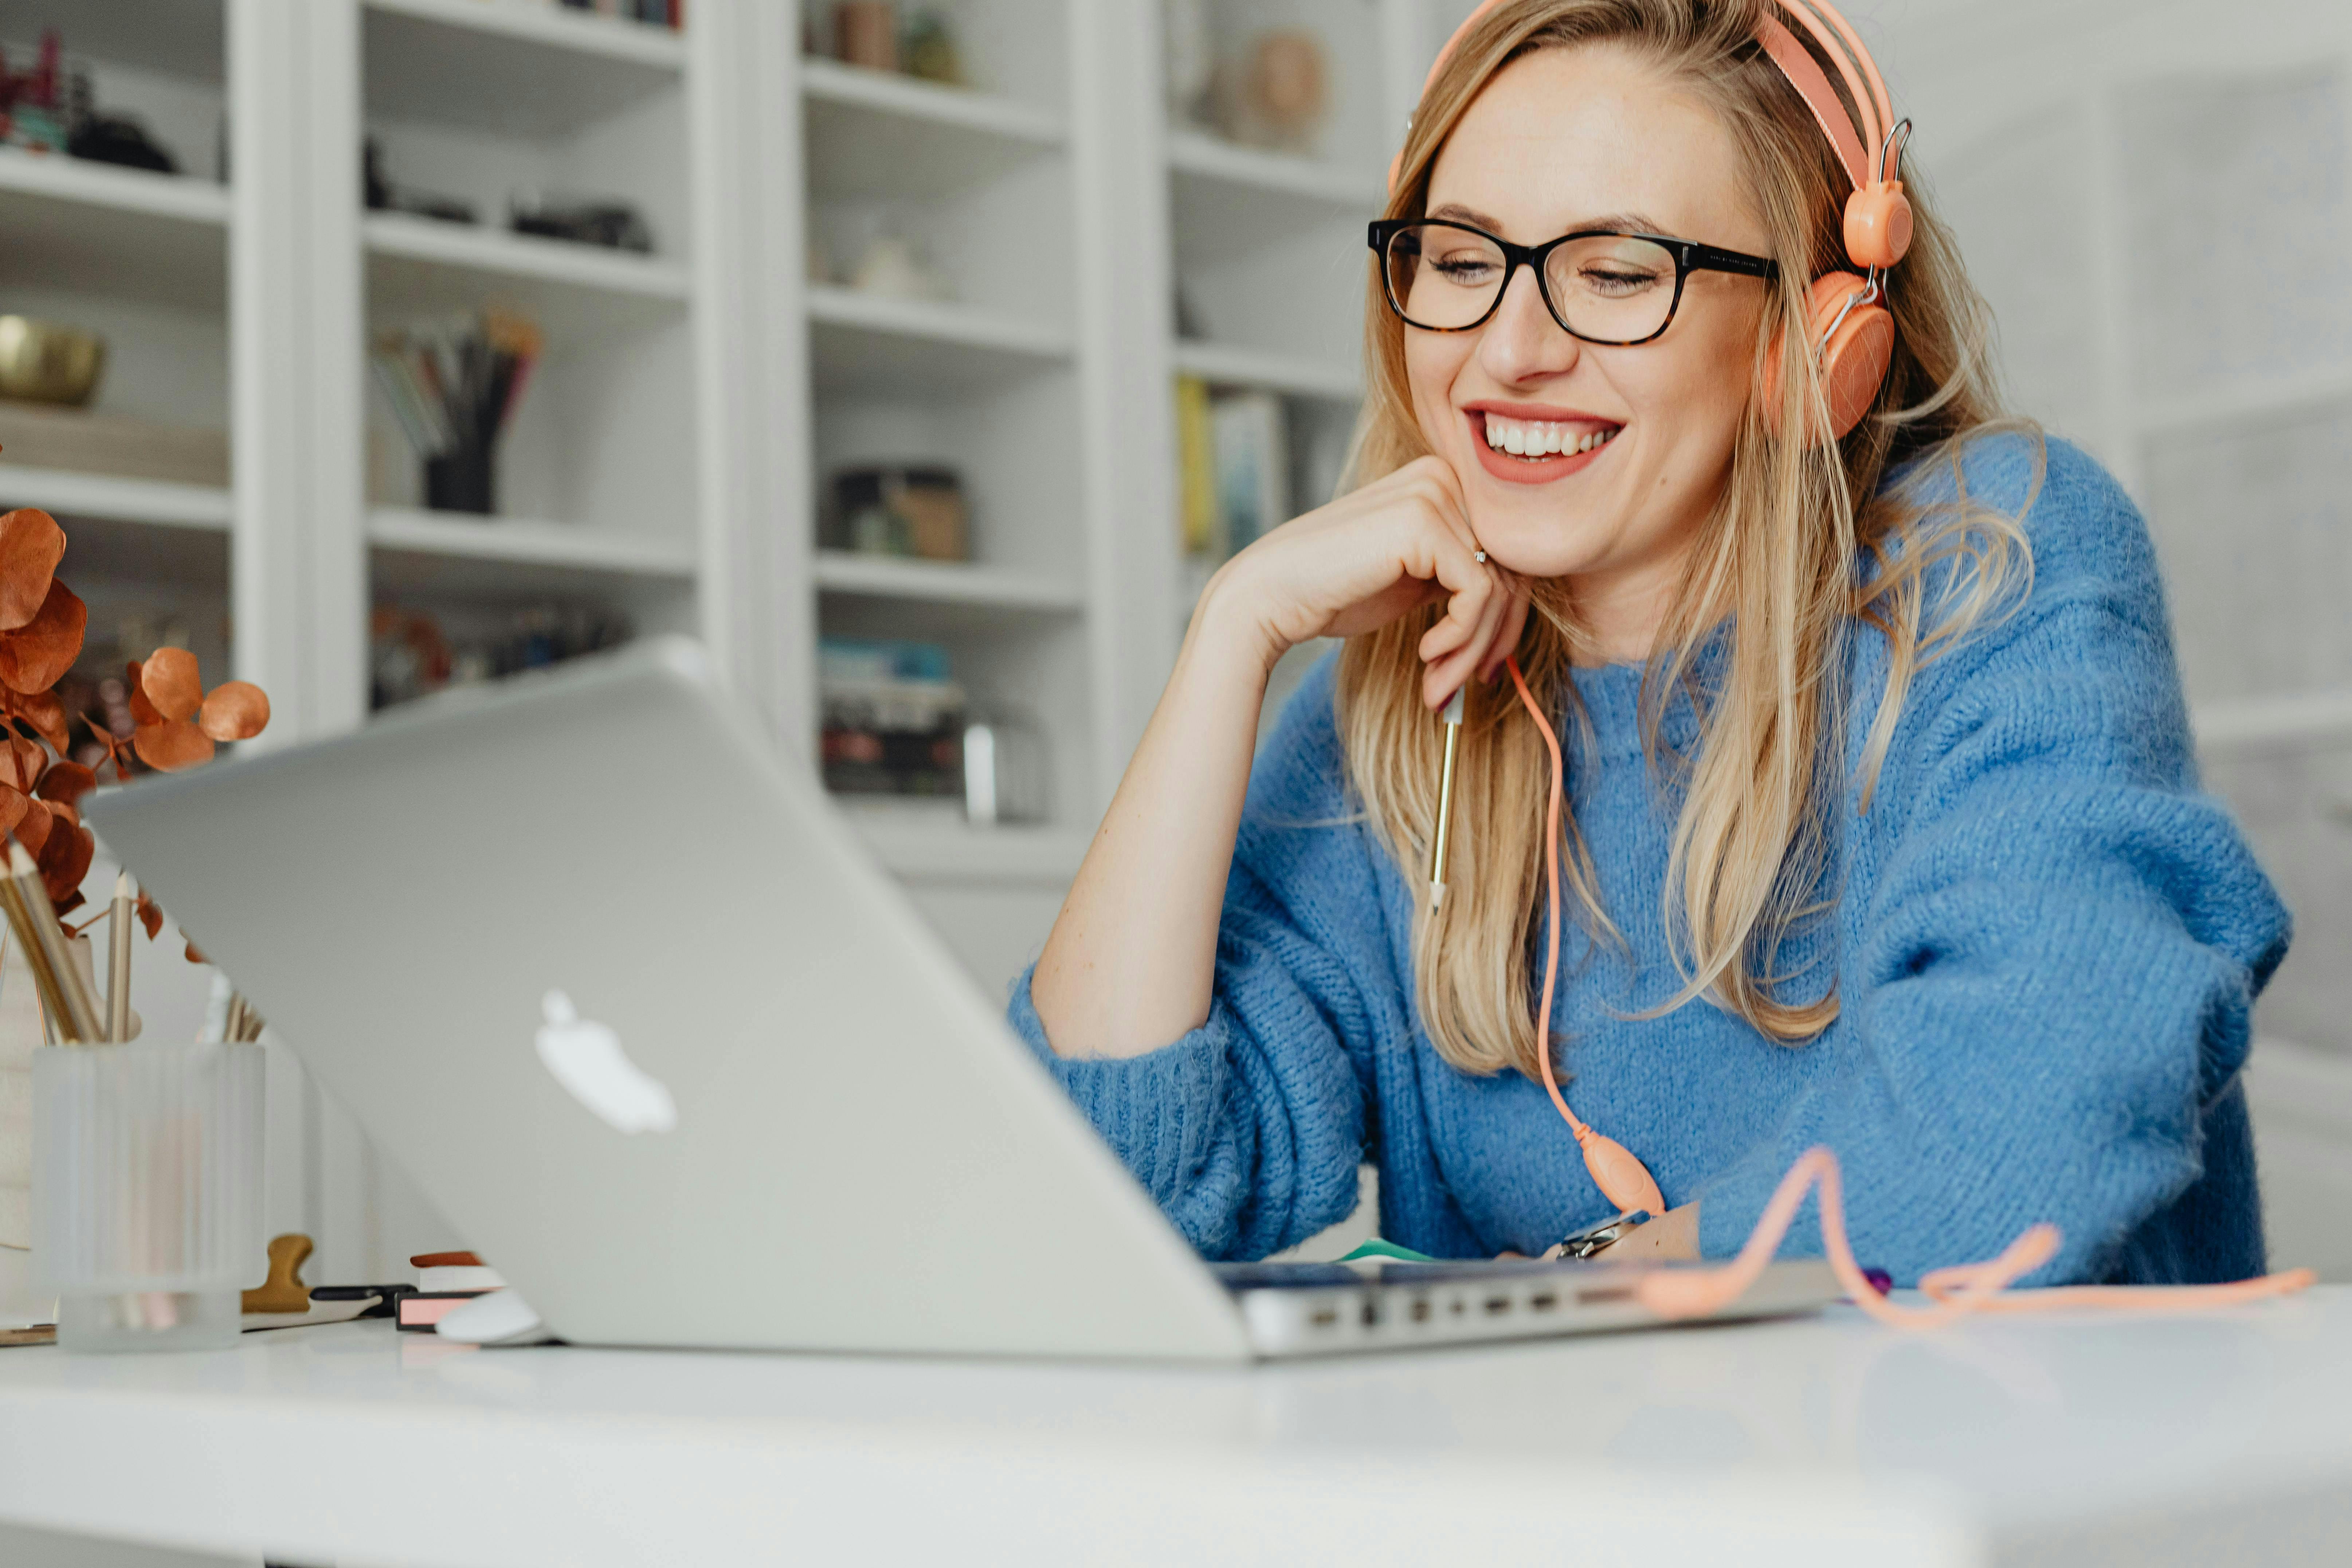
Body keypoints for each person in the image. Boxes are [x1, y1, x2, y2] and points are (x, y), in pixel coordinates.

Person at [1015, 0, 2289, 1284]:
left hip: (1987, 1471)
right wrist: (1234, 632)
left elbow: (2017, 1139)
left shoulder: (1997, 569)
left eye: (1619, 276)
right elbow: (1102, 1205)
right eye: (1459, 263)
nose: (1509, 352)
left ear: (1811, 346)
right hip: (1583, 1489)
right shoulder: (1403, 712)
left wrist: (1581, 1284)